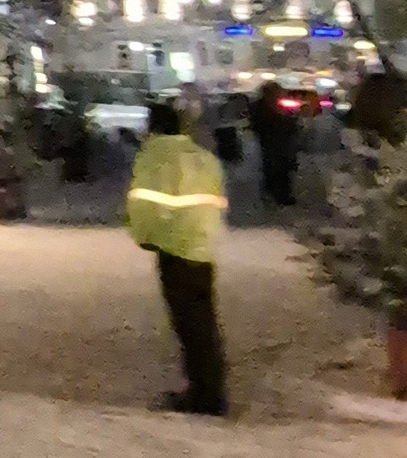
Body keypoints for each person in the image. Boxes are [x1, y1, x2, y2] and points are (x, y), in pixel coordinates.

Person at [126, 97, 228, 416]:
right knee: (204, 320)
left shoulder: (154, 158)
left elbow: (144, 203)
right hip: (202, 246)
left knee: (189, 324)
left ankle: (204, 394)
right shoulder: (202, 157)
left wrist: (145, 238)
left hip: (173, 248)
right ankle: (210, 387)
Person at [248, 79, 299, 209]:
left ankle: (280, 195)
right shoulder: (260, 109)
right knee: (272, 171)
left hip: (279, 149)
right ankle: (274, 195)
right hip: (268, 148)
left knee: (281, 171)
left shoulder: (277, 108)